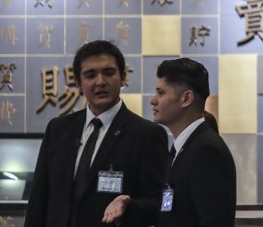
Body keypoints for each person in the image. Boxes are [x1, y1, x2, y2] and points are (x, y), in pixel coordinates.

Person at [26, 40, 169, 227]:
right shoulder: (58, 129)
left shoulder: (147, 135)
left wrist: (130, 208)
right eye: (90, 75)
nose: (100, 82)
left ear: (123, 77)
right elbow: (38, 199)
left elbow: (162, 204)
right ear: (78, 82)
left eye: (109, 73)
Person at [102, 58, 236, 227]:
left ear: (186, 98)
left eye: (161, 92)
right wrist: (129, 207)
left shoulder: (206, 150)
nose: (153, 100)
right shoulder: (182, 148)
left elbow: (216, 221)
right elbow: (172, 209)